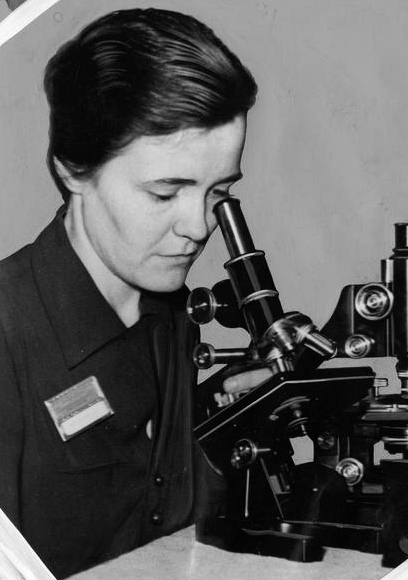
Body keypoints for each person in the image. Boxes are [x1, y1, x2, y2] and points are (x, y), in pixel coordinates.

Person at [0, 7, 268, 578]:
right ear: (74, 170)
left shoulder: (171, 315)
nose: (198, 227)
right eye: (165, 192)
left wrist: (217, 413)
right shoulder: (6, 333)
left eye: (218, 191)